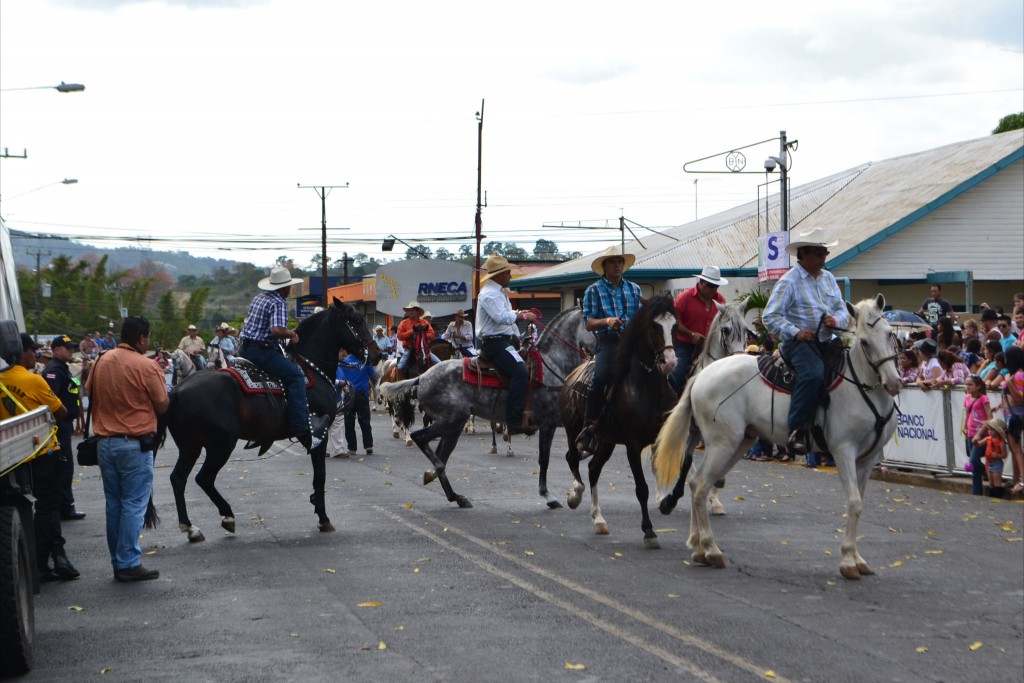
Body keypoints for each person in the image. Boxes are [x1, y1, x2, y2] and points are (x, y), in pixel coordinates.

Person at [85, 317, 168, 582]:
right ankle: (128, 563)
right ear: (141, 338)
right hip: (133, 445)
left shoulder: (100, 361)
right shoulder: (146, 366)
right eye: (148, 337)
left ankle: (118, 561)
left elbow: (89, 391)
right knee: (133, 504)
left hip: (104, 444)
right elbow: (162, 404)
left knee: (114, 504)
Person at [762, 229, 849, 455]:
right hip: (799, 345)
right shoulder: (788, 281)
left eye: (824, 253)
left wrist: (835, 320)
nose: (823, 258)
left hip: (827, 341)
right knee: (813, 374)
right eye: (819, 253)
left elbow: (842, 309)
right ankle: (797, 429)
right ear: (804, 254)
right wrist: (796, 332)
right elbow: (770, 316)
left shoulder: (828, 278)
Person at [0, 334, 79, 583]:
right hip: (43, 452)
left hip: (10, 455)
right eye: (31, 350)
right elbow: (61, 410)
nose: (35, 354)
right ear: (18, 352)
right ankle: (50, 559)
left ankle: (43, 561)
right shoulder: (34, 380)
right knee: (48, 507)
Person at [238, 266, 326, 452]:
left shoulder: (259, 298)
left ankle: (263, 427)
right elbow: (276, 330)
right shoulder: (278, 302)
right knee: (295, 376)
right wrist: (292, 334)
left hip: (245, 349)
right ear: (284, 287)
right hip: (262, 351)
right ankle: (301, 426)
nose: (290, 289)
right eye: (289, 286)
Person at [576, 246, 645, 455]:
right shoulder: (594, 290)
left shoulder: (634, 289)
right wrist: (607, 321)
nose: (617, 265)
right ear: (604, 267)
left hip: (633, 342)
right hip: (608, 341)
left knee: (660, 370)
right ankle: (589, 426)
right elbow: (589, 323)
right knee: (599, 377)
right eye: (612, 262)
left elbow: (641, 317)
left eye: (619, 262)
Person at [475, 253, 539, 435]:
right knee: (521, 373)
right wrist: (523, 315)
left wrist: (520, 312)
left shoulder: (497, 293)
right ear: (499, 275)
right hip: (495, 343)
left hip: (502, 341)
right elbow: (501, 317)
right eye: (508, 273)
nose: (510, 276)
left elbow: (506, 313)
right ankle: (513, 421)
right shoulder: (490, 294)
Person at [43, 334, 86, 521]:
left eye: (72, 348)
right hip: (59, 424)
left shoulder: (63, 369)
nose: (71, 351)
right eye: (67, 348)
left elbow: (72, 388)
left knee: (65, 465)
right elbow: (50, 399)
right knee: (64, 465)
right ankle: (65, 507)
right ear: (56, 350)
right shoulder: (53, 371)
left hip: (66, 423)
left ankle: (64, 505)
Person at [668, 265, 728, 393]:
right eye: (711, 285)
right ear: (701, 282)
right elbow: (674, 321)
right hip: (686, 345)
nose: (714, 289)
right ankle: (671, 400)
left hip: (713, 345)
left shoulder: (720, 300)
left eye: (716, 286)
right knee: (677, 374)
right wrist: (691, 334)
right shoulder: (684, 298)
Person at [330, 349, 377, 458]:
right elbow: (374, 376)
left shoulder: (344, 362)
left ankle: (352, 448)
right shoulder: (365, 362)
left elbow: (340, 378)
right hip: (362, 395)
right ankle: (368, 446)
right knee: (365, 421)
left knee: (349, 422)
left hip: (349, 394)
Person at [962, 374, 992, 496]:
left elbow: (990, 418)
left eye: (970, 384)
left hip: (981, 434)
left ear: (978, 386)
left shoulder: (984, 398)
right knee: (974, 465)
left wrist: (980, 433)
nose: (968, 387)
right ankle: (977, 492)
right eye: (966, 384)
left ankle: (988, 472)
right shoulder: (967, 398)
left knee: (973, 461)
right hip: (970, 433)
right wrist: (965, 427)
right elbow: (967, 414)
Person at [1000, 345, 1024, 494]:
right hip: (1010, 413)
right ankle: (1016, 478)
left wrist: (1009, 383)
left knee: (1016, 448)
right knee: (1014, 448)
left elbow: (1020, 398)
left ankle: (1022, 479)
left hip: (1016, 414)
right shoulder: (1014, 374)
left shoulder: (1019, 375)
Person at [395, 301, 439, 379]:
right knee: (400, 366)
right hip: (409, 350)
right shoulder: (403, 323)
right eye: (409, 310)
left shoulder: (424, 322)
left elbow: (432, 335)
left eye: (412, 310)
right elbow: (399, 336)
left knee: (439, 363)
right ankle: (399, 384)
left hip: (424, 350)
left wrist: (422, 335)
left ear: (418, 312)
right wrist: (411, 332)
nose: (410, 312)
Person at [974, 417, 1008, 497]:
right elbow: (978, 445)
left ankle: (998, 496)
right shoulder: (988, 439)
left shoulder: (1001, 442)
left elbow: (1004, 455)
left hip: (997, 463)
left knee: (997, 482)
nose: (989, 431)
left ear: (997, 431)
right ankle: (992, 496)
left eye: (992, 430)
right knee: (991, 482)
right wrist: (975, 441)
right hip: (989, 463)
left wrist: (998, 455)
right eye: (989, 429)